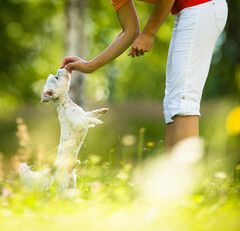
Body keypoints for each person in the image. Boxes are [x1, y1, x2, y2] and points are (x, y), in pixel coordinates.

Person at [61, 0, 228, 151]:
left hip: (201, 7)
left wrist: (149, 33)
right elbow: (130, 30)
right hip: (187, 12)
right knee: (174, 105)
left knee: (183, 101)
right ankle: (172, 179)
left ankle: (187, 179)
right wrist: (91, 65)